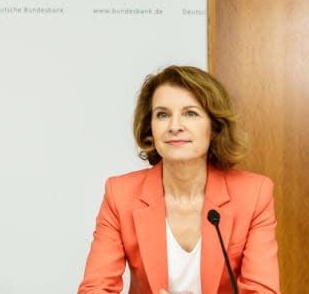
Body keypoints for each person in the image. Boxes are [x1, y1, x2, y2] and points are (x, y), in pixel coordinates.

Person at [78, 65, 279, 294]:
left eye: (190, 113)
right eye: (162, 114)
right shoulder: (120, 194)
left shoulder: (254, 194)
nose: (174, 127)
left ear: (214, 127)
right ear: (150, 127)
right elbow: (95, 289)